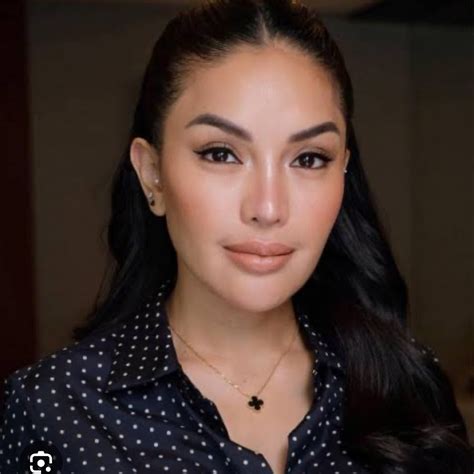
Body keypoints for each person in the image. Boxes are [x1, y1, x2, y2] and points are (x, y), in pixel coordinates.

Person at [1, 0, 472, 472]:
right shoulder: (49, 412)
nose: (268, 208)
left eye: (309, 158)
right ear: (151, 174)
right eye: (221, 153)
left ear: (343, 173)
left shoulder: (409, 388)